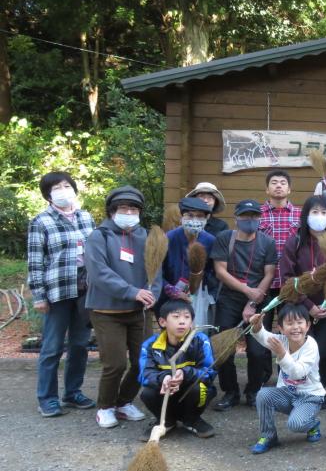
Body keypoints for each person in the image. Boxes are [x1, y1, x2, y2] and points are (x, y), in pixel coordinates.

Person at [85, 186, 162, 428]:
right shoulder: (99, 236)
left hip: (139, 312)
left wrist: (153, 295)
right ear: (112, 211)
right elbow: (99, 273)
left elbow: (156, 271)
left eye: (133, 208)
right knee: (115, 364)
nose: (128, 212)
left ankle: (124, 402)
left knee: (144, 362)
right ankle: (105, 407)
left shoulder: (147, 237)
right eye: (123, 208)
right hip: (106, 311)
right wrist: (132, 292)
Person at [28, 171, 96, 417]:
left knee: (80, 344)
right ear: (48, 194)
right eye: (57, 187)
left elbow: (96, 253)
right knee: (52, 347)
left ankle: (72, 393)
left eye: (67, 185)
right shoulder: (41, 222)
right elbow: (35, 262)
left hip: (84, 291)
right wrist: (39, 296)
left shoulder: (86, 218)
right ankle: (47, 398)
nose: (63, 190)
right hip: (57, 291)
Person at [280, 196, 326, 400]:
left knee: (324, 351)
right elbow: (287, 278)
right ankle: (295, 390)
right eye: (314, 212)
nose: (319, 217)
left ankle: (319, 392)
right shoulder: (295, 242)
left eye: (324, 213)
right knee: (298, 349)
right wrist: (307, 305)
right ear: (305, 216)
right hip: (300, 308)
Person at [211, 199, 278, 411]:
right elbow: (220, 271)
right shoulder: (224, 239)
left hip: (259, 299)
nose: (250, 221)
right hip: (229, 298)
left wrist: (252, 300)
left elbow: (269, 273)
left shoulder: (267, 242)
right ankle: (230, 391)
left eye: (254, 217)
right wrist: (246, 290)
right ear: (236, 218)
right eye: (245, 217)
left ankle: (253, 391)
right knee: (224, 349)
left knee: (258, 351)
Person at [247, 306, 325, 453]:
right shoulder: (282, 340)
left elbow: (298, 373)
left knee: (295, 424)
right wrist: (257, 326)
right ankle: (268, 436)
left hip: (310, 397)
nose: (295, 327)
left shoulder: (311, 345)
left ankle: (312, 424)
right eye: (289, 323)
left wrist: (282, 354)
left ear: (307, 325)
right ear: (281, 328)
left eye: (300, 323)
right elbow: (263, 336)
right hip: (287, 393)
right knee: (263, 395)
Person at [138, 299, 216, 438]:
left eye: (187, 317)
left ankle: (192, 420)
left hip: (189, 393)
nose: (182, 321)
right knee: (147, 393)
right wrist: (164, 378)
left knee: (202, 389)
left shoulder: (200, 340)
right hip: (166, 393)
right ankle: (166, 421)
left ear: (191, 323)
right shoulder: (150, 345)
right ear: (162, 322)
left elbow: (209, 372)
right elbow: (145, 375)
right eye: (176, 317)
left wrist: (185, 374)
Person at [160, 197, 216, 326]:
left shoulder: (210, 240)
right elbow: (158, 272)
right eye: (190, 215)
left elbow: (213, 271)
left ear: (206, 218)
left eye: (200, 216)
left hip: (198, 297)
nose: (194, 220)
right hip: (169, 299)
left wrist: (198, 286)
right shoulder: (168, 239)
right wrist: (171, 290)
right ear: (181, 216)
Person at [259, 170, 301, 329]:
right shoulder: (257, 214)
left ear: (289, 189)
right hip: (263, 283)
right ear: (267, 189)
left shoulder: (300, 215)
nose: (278, 186)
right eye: (274, 182)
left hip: (291, 283)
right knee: (261, 333)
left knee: (292, 328)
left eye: (283, 183)